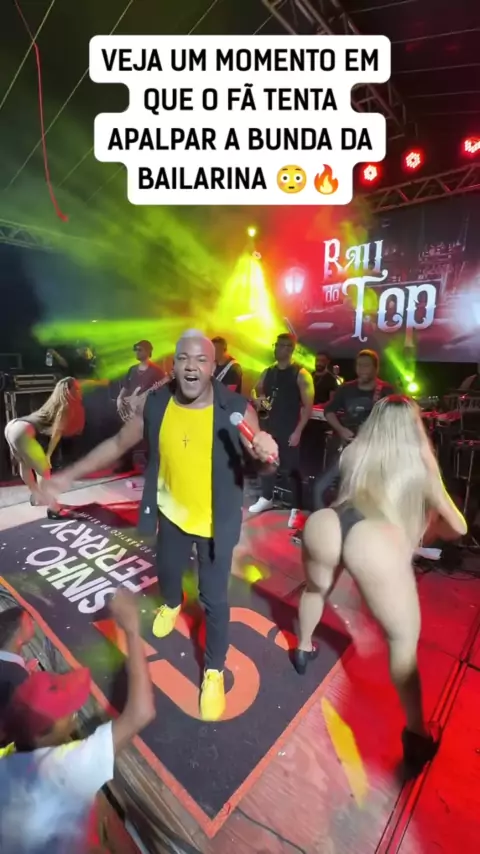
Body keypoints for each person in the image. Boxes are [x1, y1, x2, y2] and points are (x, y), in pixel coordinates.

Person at [38, 330, 278, 722]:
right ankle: (171, 603)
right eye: (184, 358)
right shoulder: (157, 403)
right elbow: (118, 443)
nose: (191, 367)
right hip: (170, 516)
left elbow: (262, 464)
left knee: (214, 600)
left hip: (215, 524)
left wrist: (267, 456)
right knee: (167, 574)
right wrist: (67, 477)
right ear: (173, 364)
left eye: (201, 360)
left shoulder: (236, 409)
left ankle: (214, 671)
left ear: (213, 366)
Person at [295, 396, 467, 773]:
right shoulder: (419, 465)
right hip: (374, 541)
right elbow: (459, 527)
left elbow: (326, 486)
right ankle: (417, 735)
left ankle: (303, 650)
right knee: (402, 642)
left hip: (329, 523)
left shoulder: (354, 451)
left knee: (315, 590)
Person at [0, 589, 155, 854]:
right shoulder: (68, 769)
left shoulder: (9, 763)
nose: (74, 717)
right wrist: (131, 629)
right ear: (44, 734)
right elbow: (141, 712)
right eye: (69, 712)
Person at [313, 349, 395, 510]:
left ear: (376, 368)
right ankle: (322, 522)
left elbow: (396, 419)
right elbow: (329, 411)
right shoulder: (346, 389)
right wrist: (341, 430)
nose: (361, 369)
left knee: (365, 497)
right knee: (320, 488)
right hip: (348, 450)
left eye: (366, 366)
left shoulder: (386, 390)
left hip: (374, 453)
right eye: (359, 365)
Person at [249, 332, 314, 526]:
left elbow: (308, 406)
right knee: (266, 462)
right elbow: (255, 389)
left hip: (289, 428)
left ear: (291, 349)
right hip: (270, 426)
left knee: (291, 469)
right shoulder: (268, 371)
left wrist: (298, 431)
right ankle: (266, 498)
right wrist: (258, 399)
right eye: (276, 344)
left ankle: (296, 508)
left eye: (283, 345)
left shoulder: (301, 374)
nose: (278, 348)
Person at [4, 377, 85, 517]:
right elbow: (57, 433)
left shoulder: (53, 403)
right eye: (76, 388)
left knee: (25, 464)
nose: (79, 390)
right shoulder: (65, 406)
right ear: (68, 390)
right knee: (44, 470)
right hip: (22, 431)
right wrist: (48, 455)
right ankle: (53, 508)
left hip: (12, 426)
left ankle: (37, 497)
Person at [116, 340, 166, 421]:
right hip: (131, 412)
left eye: (140, 350)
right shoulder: (132, 369)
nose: (137, 352)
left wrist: (156, 392)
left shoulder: (157, 371)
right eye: (136, 350)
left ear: (148, 352)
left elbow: (164, 393)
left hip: (147, 413)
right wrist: (119, 400)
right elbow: (125, 388)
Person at [0, 607, 35, 722]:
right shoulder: (17, 678)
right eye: (29, 621)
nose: (33, 623)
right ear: (18, 633)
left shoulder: (14, 673)